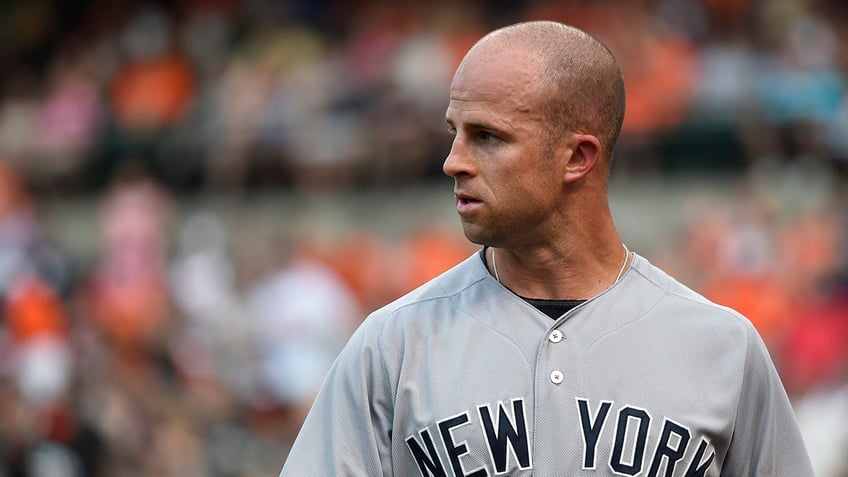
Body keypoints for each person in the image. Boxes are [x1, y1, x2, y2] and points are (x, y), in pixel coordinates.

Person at [279, 20, 813, 476]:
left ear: (577, 157)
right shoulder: (390, 347)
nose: (453, 161)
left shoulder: (722, 347)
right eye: (454, 132)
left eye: (487, 137)